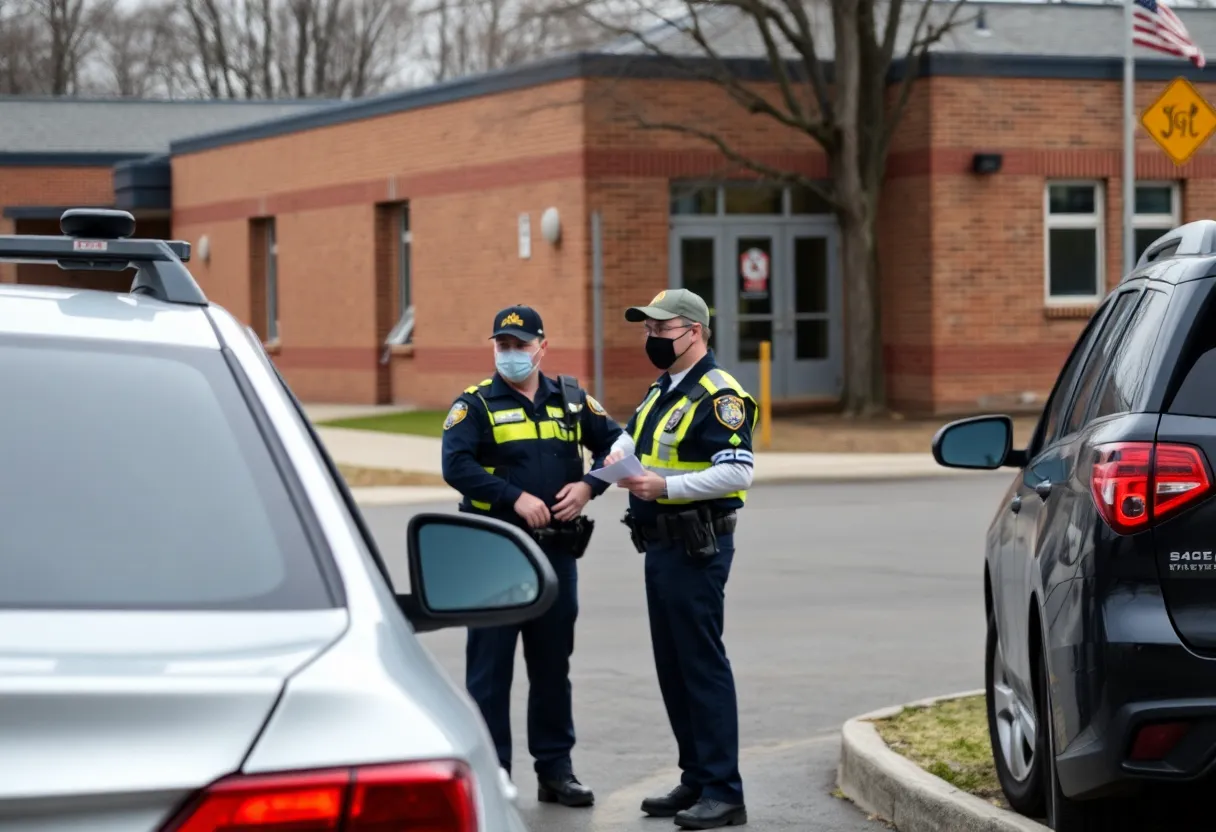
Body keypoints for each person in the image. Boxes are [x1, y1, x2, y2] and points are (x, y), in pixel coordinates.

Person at [440, 303, 623, 808]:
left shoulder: (572, 400)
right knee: (489, 673)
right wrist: (513, 497)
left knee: (551, 666)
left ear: (543, 347)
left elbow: (620, 448)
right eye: (504, 345)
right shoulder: (474, 405)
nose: (512, 354)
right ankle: (492, 778)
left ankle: (556, 772)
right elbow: (455, 465)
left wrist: (590, 487)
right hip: (493, 552)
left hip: (554, 556)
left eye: (522, 345)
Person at [605, 288, 757, 830]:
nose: (652, 339)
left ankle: (724, 791)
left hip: (697, 544)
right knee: (673, 666)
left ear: (693, 331)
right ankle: (696, 776)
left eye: (661, 331)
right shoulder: (664, 389)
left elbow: (738, 471)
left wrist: (665, 488)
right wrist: (615, 459)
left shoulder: (720, 393)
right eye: (647, 330)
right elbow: (635, 444)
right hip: (662, 546)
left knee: (700, 664)